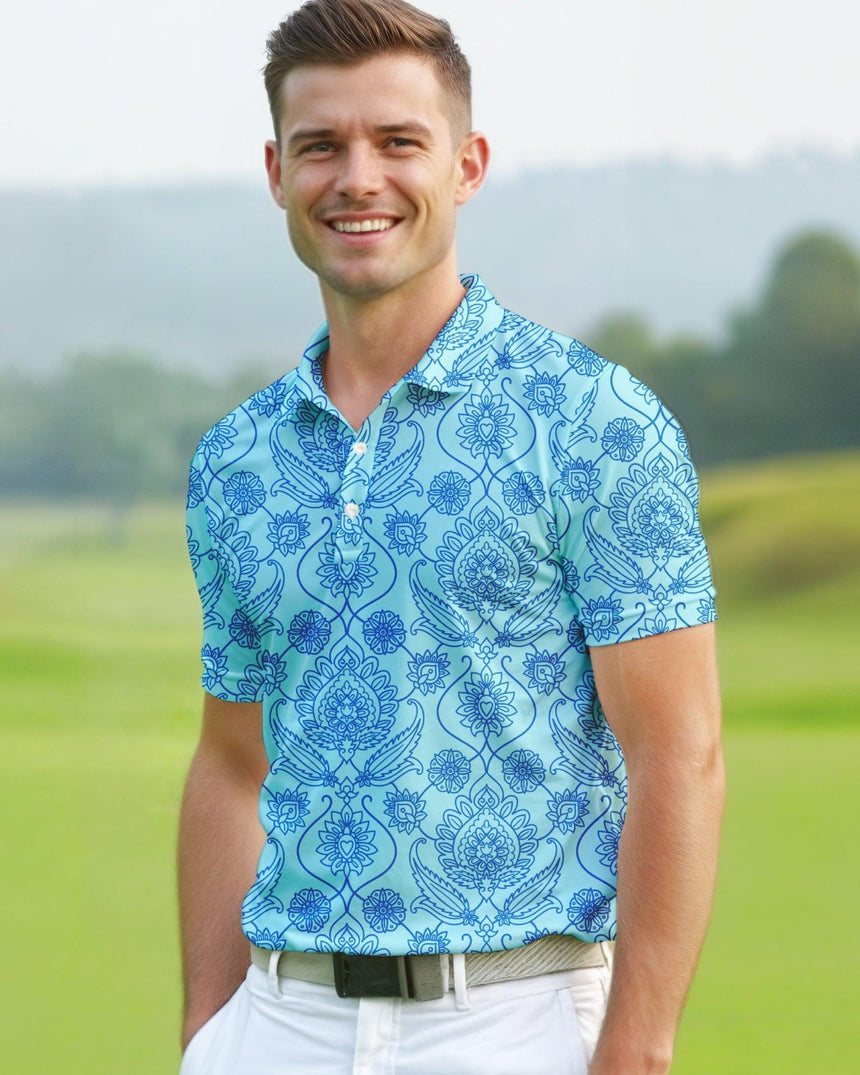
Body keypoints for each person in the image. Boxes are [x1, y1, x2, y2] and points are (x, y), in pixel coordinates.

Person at [178, 1, 725, 1072]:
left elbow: (680, 753)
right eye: (320, 145)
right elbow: (232, 761)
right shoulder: (235, 459)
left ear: (466, 164)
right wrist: (208, 1031)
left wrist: (635, 1053)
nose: (357, 178)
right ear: (275, 171)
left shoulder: (592, 421)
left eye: (397, 142)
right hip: (276, 1025)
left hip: (513, 1023)